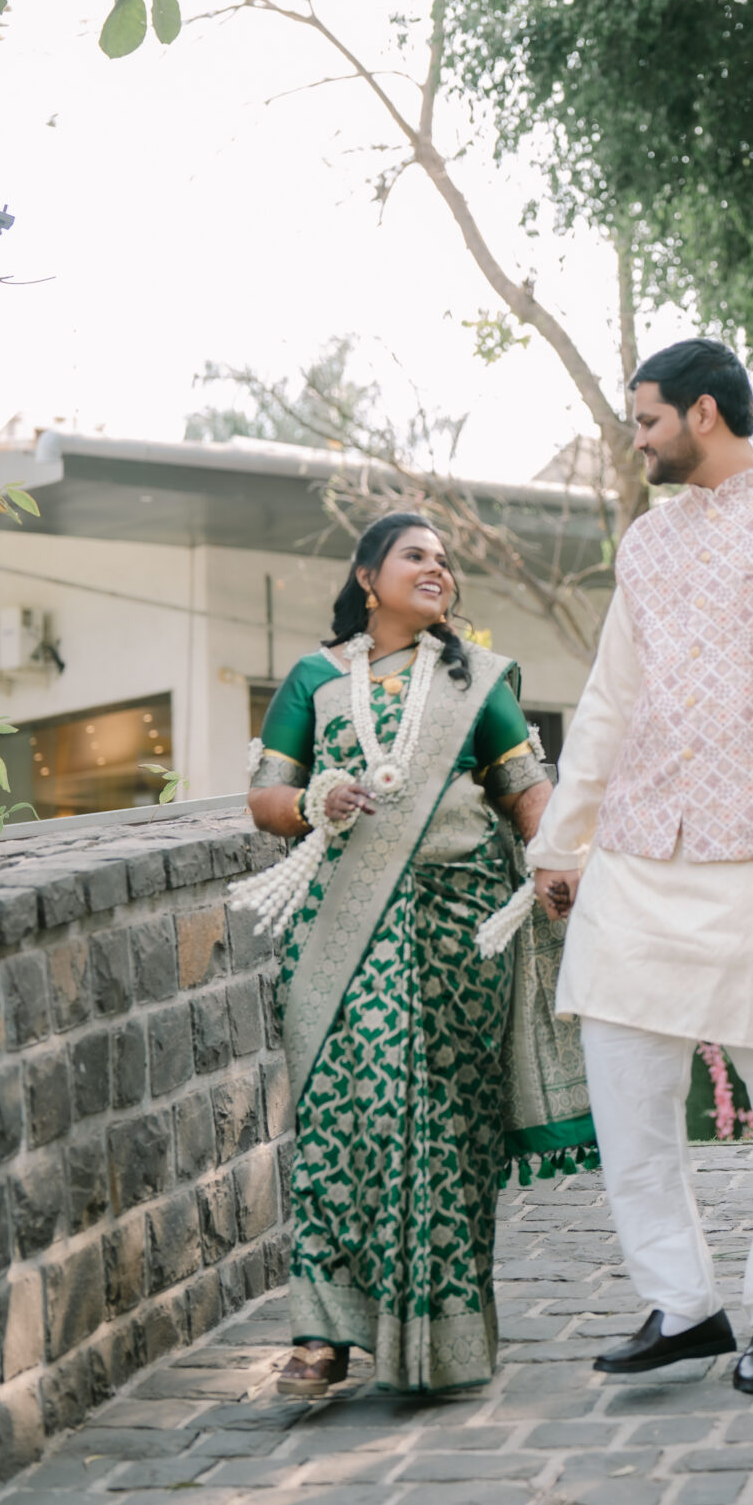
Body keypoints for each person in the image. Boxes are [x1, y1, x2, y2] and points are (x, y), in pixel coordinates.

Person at [530, 338, 753, 1395]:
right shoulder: (647, 542)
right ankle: (682, 1302)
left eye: (646, 421)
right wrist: (561, 841)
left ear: (702, 413)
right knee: (620, 1065)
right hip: (647, 849)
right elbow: (610, 700)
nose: (636, 441)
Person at [247, 512, 554, 1400]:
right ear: (366, 576)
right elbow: (263, 799)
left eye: (444, 561)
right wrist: (316, 800)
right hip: (342, 927)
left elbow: (527, 792)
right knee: (340, 1120)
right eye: (415, 555)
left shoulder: (475, 680)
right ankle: (323, 1337)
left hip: (461, 930)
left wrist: (557, 866)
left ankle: (443, 1341)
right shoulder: (315, 679)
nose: (436, 569)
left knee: (451, 1130)